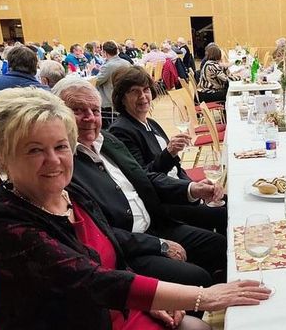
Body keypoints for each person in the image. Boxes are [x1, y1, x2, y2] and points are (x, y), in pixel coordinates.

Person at [0, 87, 270, 330]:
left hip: (109, 309)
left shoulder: (70, 194)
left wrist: (150, 301)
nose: (54, 160)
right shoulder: (2, 223)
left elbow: (111, 255)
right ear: (1, 158)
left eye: (60, 146)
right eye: (35, 150)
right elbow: (90, 279)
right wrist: (204, 297)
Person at [53, 78, 227, 287]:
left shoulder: (107, 141)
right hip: (129, 248)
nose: (90, 117)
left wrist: (192, 189)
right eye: (78, 110)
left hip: (156, 225)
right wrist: (158, 245)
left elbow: (145, 178)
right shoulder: (64, 166)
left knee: (220, 245)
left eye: (95, 110)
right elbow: (97, 231)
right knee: (197, 277)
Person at [108, 67, 227, 233]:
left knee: (228, 202)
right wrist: (189, 188)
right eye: (134, 91)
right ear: (122, 98)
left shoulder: (150, 123)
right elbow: (142, 178)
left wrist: (193, 185)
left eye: (146, 90)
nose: (142, 96)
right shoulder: (121, 130)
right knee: (224, 214)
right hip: (166, 204)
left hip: (178, 189)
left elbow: (176, 169)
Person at [96, 40, 132, 127]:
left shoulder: (108, 66)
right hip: (126, 96)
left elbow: (97, 81)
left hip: (110, 99)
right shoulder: (126, 63)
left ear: (104, 53)